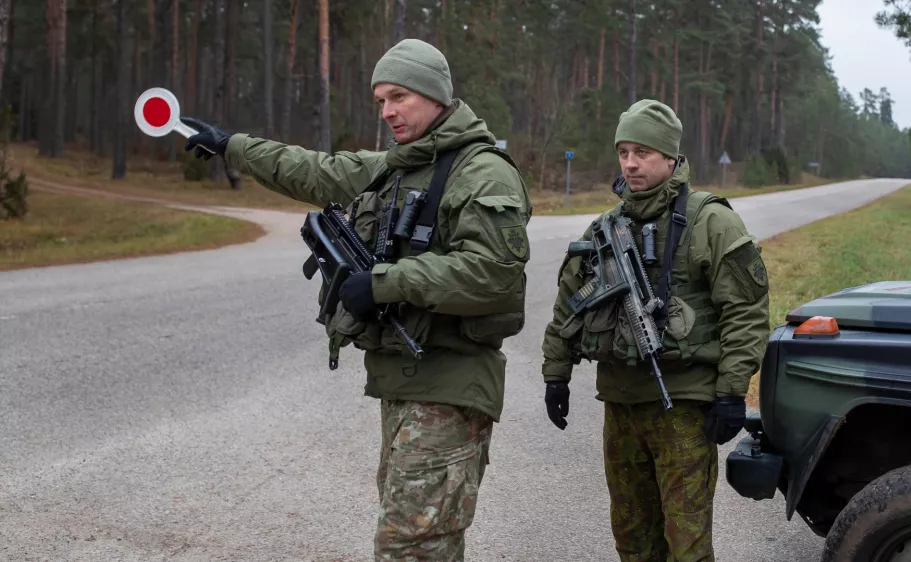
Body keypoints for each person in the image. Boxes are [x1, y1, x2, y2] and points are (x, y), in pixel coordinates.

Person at [181, 38, 532, 561]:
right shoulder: (396, 167)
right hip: (405, 386)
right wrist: (231, 145)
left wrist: (385, 282)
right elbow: (311, 169)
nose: (387, 112)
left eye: (399, 97)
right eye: (380, 101)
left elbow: (495, 273)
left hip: (451, 387)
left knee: (409, 546)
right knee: (418, 542)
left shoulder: (481, 171)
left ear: (435, 97)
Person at [539, 99, 770, 562]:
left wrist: (730, 392)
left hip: (682, 409)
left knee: (686, 546)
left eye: (642, 151)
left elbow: (746, 312)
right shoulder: (604, 227)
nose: (630, 163)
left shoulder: (711, 221)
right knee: (633, 542)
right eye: (623, 151)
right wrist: (555, 373)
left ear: (670, 157)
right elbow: (569, 303)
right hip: (621, 406)